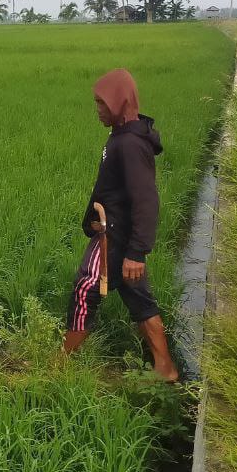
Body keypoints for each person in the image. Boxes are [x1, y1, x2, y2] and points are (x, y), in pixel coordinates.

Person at [62, 68, 180, 383]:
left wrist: (136, 252)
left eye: (102, 103)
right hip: (116, 233)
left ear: (119, 102)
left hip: (114, 237)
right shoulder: (122, 134)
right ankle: (164, 366)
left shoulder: (129, 144)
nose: (98, 109)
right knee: (138, 296)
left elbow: (146, 200)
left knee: (85, 289)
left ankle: (60, 365)